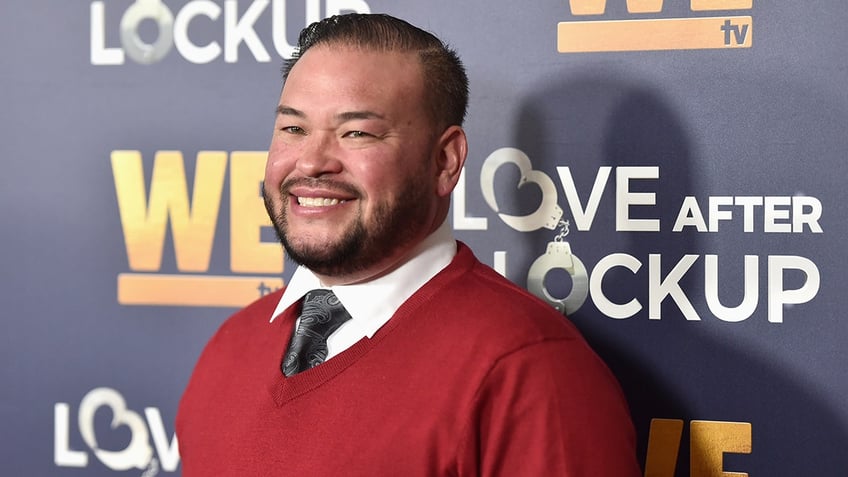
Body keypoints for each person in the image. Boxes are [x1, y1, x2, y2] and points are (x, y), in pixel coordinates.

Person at [176, 13, 641, 476]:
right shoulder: (231, 346)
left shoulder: (530, 370)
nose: (312, 162)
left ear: (445, 161)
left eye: (356, 132)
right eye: (294, 129)